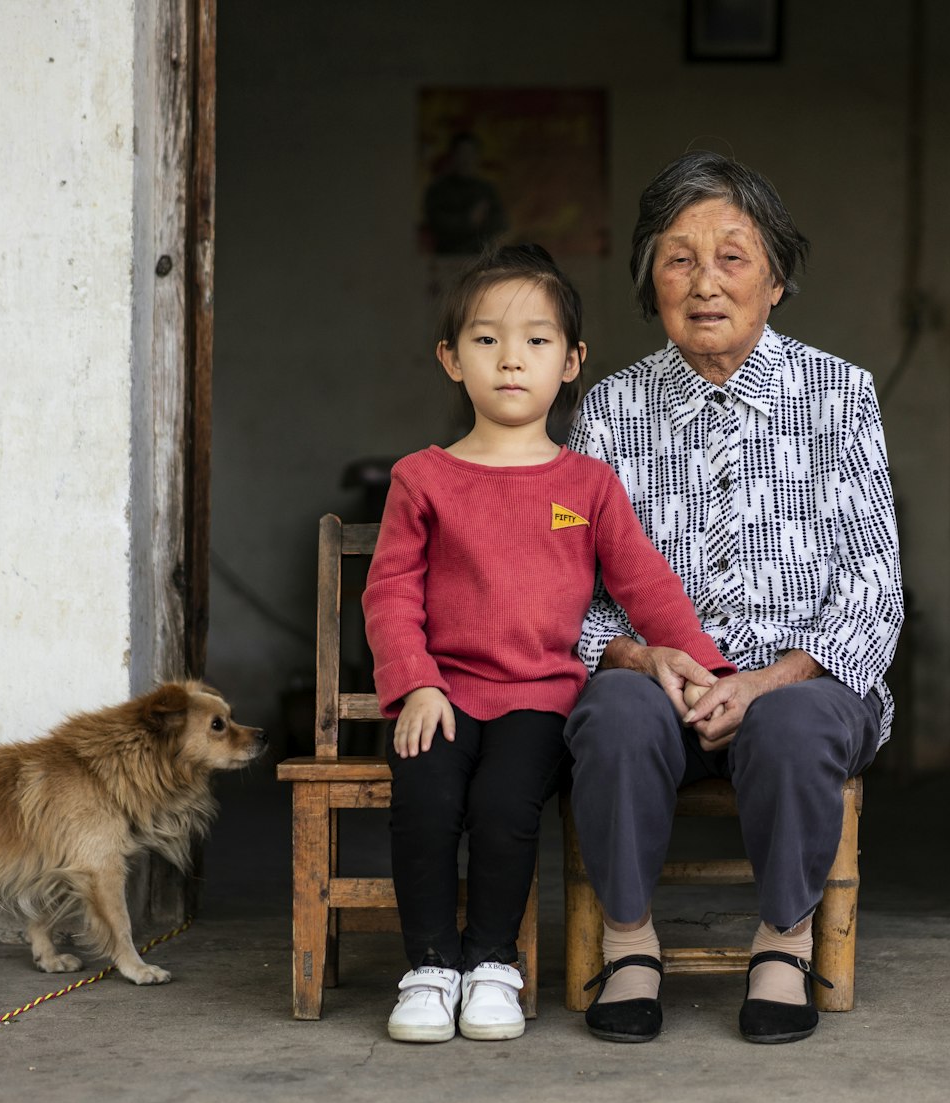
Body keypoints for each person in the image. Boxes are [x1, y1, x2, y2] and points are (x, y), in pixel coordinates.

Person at [565, 151, 905, 1045]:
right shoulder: (609, 410)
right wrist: (645, 658)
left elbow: (873, 584)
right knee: (612, 716)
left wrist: (759, 682)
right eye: (678, 258)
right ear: (651, 281)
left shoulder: (841, 396)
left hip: (800, 679)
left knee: (793, 725)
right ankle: (631, 943)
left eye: (733, 256)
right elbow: (574, 591)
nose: (705, 282)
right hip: (658, 679)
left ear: (777, 279)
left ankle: (783, 944)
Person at [363, 243, 734, 1044]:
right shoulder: (421, 478)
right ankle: (429, 968)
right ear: (450, 358)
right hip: (443, 694)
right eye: (486, 339)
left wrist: (702, 666)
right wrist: (414, 683)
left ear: (572, 363)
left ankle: (493, 964)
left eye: (536, 341)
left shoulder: (587, 484)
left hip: (540, 698)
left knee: (504, 807)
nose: (509, 360)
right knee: (425, 802)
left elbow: (646, 585)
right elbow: (389, 591)